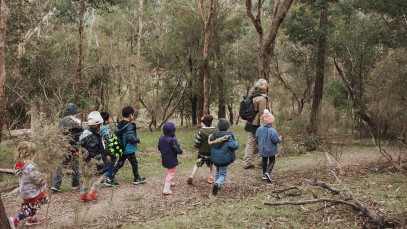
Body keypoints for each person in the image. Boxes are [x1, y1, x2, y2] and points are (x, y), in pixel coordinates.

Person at [9, 141, 48, 228]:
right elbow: (37, 178)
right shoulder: (29, 167)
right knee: (33, 207)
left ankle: (32, 219)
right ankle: (16, 219)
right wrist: (44, 181)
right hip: (33, 191)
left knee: (32, 206)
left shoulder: (19, 166)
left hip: (25, 191)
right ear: (31, 154)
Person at [105, 106, 145, 186]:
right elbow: (130, 138)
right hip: (128, 149)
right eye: (133, 114)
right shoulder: (129, 125)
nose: (133, 116)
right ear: (130, 115)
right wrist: (138, 140)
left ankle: (110, 178)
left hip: (122, 148)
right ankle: (137, 178)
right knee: (134, 163)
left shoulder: (120, 124)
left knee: (120, 163)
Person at [51, 103, 83, 192]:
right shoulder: (77, 121)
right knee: (75, 165)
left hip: (64, 146)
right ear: (74, 111)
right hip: (74, 147)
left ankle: (55, 185)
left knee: (62, 165)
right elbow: (81, 132)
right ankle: (75, 184)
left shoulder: (61, 121)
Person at [78, 111, 106, 201]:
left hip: (84, 160)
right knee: (102, 173)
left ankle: (83, 195)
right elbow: (92, 151)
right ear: (99, 125)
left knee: (86, 177)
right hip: (94, 159)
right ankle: (93, 190)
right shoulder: (93, 137)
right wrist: (99, 160)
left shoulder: (85, 132)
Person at [243, 79, 270, 169]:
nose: (266, 89)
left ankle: (246, 163)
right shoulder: (262, 98)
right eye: (265, 87)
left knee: (250, 143)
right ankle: (261, 162)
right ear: (262, 88)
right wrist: (265, 127)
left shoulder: (251, 96)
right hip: (259, 124)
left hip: (250, 123)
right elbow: (263, 114)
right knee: (261, 142)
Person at [208, 118, 239, 196]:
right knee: (223, 175)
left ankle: (216, 184)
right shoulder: (228, 136)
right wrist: (235, 141)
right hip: (224, 159)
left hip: (215, 159)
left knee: (218, 170)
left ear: (218, 127)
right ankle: (217, 184)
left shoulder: (214, 135)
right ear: (228, 128)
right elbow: (234, 146)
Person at [187, 115, 216, 185]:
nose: (201, 123)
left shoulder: (201, 131)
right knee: (212, 165)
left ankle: (192, 175)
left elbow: (197, 142)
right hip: (212, 152)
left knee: (198, 163)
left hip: (202, 152)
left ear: (204, 123)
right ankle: (211, 177)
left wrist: (197, 146)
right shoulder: (215, 131)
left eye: (202, 122)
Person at [255, 109, 282, 182]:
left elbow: (256, 138)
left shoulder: (259, 129)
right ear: (272, 121)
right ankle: (267, 173)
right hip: (271, 149)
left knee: (264, 161)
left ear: (264, 121)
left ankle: (264, 175)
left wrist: (258, 144)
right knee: (272, 161)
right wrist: (280, 139)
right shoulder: (273, 130)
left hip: (262, 149)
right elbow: (276, 140)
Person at [158, 121, 183, 195]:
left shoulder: (161, 138)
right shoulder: (172, 140)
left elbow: (159, 147)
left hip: (164, 158)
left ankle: (170, 182)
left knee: (169, 170)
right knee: (171, 172)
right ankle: (166, 189)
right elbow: (177, 149)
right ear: (173, 131)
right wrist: (180, 151)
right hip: (171, 159)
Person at [99, 111, 117, 181]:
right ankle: (108, 174)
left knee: (104, 162)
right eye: (108, 119)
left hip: (101, 149)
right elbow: (110, 139)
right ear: (106, 121)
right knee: (114, 158)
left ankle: (103, 176)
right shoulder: (106, 129)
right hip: (108, 148)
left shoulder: (98, 128)